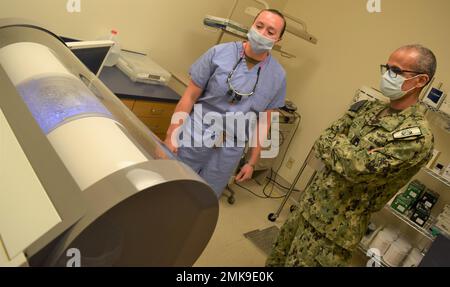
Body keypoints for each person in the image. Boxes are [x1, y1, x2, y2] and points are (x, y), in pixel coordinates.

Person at [266, 44, 437, 267]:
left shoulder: (416, 136)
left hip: (333, 232)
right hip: (307, 208)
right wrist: (350, 152)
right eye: (386, 68)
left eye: (396, 71)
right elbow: (322, 141)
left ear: (420, 81)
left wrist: (344, 150)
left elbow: (358, 169)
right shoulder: (366, 107)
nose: (387, 75)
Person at [164, 9, 287, 197]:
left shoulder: (277, 76)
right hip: (194, 136)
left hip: (228, 151)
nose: (262, 33)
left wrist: (251, 162)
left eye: (270, 32)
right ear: (252, 26)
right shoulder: (218, 53)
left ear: (278, 40)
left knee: (203, 199)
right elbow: (189, 97)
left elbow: (264, 122)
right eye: (259, 26)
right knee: (169, 187)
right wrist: (171, 134)